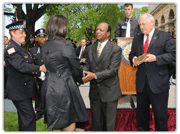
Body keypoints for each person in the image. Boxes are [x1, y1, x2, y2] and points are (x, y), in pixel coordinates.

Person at [41, 15, 89, 131]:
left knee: (55, 121)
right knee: (69, 119)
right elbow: (76, 67)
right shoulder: (65, 44)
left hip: (49, 85)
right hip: (64, 86)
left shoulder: (45, 44)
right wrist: (79, 79)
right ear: (62, 27)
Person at [129, 13, 176, 131]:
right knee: (142, 117)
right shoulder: (137, 38)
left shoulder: (164, 36)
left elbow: (173, 55)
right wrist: (133, 58)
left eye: (143, 24)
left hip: (158, 84)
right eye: (140, 24)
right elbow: (132, 54)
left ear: (152, 22)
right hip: (141, 85)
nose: (141, 27)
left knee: (160, 117)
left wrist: (156, 58)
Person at [4, 19, 46, 131]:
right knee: (29, 118)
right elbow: (21, 66)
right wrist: (40, 68)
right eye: (21, 33)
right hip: (19, 91)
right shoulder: (11, 49)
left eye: (24, 32)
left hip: (24, 90)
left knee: (25, 120)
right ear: (12, 33)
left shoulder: (20, 47)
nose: (25, 35)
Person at [82, 22, 122, 131]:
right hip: (95, 93)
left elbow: (112, 70)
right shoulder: (90, 48)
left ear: (108, 33)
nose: (97, 32)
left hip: (110, 92)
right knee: (96, 123)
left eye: (101, 30)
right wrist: (84, 73)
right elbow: (87, 65)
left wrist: (94, 75)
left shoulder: (115, 49)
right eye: (97, 30)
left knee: (109, 125)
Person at [29, 28, 47, 121]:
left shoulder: (51, 49)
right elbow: (31, 64)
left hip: (50, 76)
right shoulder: (33, 50)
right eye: (40, 37)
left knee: (49, 94)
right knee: (38, 94)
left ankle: (48, 112)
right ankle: (39, 112)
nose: (42, 39)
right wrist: (38, 74)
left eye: (44, 37)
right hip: (38, 76)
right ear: (36, 39)